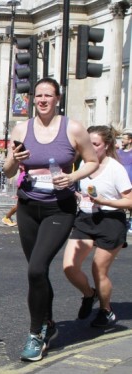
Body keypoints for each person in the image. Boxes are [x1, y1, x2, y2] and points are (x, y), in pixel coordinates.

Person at [3, 77, 98, 362]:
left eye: (48, 95)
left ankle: (35, 334)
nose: (43, 100)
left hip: (60, 208)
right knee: (38, 271)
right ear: (34, 99)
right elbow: (8, 170)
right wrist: (13, 158)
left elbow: (91, 160)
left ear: (57, 98)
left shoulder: (73, 128)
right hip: (29, 207)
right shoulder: (22, 128)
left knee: (36, 269)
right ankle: (49, 322)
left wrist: (72, 177)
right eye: (39, 95)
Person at [62, 125, 132, 328]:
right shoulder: (84, 163)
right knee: (69, 267)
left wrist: (104, 201)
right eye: (88, 144)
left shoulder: (115, 168)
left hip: (111, 220)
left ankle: (106, 310)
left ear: (107, 145)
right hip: (86, 218)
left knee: (98, 270)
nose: (91, 148)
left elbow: (129, 200)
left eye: (96, 144)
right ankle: (89, 294)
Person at [117, 130, 132, 234]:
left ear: (130, 140)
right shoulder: (118, 152)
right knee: (121, 203)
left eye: (124, 138)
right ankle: (122, 222)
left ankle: (131, 222)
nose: (122, 140)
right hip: (121, 182)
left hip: (131, 180)